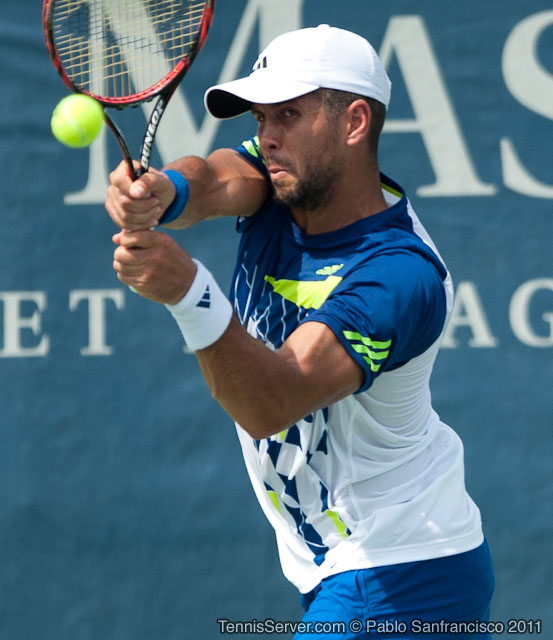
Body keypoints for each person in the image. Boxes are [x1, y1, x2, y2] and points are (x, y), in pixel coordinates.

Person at [105, 25, 494, 639]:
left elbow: (274, 400)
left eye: (288, 114)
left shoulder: (398, 276)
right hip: (351, 570)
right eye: (261, 117)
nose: (268, 136)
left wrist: (188, 292)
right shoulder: (278, 183)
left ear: (354, 122)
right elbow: (213, 178)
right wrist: (164, 192)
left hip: (400, 574)